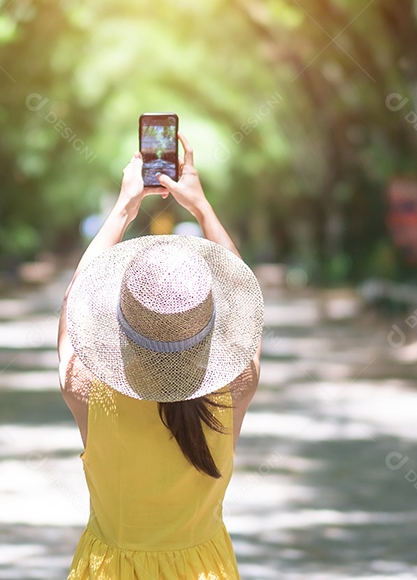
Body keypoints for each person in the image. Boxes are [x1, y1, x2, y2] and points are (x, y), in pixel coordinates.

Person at [57, 133, 264, 580]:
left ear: (123, 329)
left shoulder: (90, 391)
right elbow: (247, 303)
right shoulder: (233, 391)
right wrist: (203, 208)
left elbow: (73, 303)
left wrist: (124, 207)